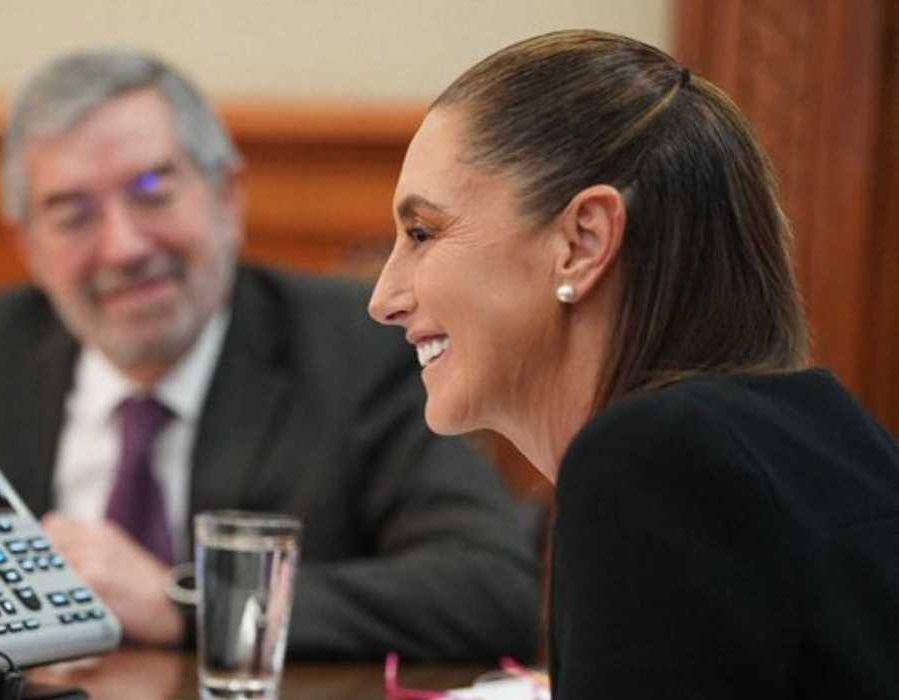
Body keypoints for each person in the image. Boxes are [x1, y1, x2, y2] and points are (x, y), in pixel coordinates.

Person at [0, 50, 544, 662]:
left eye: (152, 192)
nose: (122, 248)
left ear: (227, 198)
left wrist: (185, 602)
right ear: (29, 245)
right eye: (73, 213)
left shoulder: (355, 348)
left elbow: (487, 589)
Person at [368, 30, 899, 697]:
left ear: (583, 241)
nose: (382, 299)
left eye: (422, 233)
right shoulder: (815, 428)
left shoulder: (653, 459)